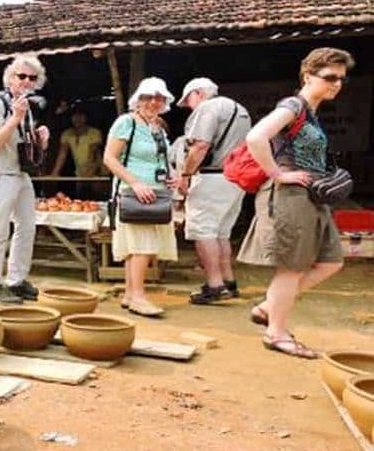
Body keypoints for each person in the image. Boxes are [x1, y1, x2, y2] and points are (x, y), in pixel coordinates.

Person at [237, 48, 354, 359]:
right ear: (307, 76)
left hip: (312, 196)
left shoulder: (311, 113)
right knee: (292, 268)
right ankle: (275, 333)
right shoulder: (292, 106)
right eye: (330, 77)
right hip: (290, 195)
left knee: (331, 261)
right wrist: (277, 174)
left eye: (341, 78)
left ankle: (267, 307)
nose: (337, 84)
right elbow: (255, 137)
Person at [103, 77, 178, 317]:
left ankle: (129, 293)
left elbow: (161, 160)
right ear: (138, 100)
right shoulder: (126, 123)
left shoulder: (157, 128)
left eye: (159, 98)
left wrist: (172, 177)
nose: (153, 102)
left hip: (156, 192)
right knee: (142, 245)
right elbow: (109, 158)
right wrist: (135, 183)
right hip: (133, 192)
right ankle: (138, 296)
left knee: (139, 246)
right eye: (148, 97)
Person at [175, 78, 252, 304]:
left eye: (188, 100)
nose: (189, 106)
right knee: (221, 232)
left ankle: (215, 285)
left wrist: (185, 176)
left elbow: (200, 146)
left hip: (213, 177)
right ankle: (228, 282)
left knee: (203, 230)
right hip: (235, 177)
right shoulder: (239, 109)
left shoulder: (208, 108)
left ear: (198, 93)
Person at [0, 54, 50, 304]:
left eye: (32, 78)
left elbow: (24, 148)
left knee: (27, 227)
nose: (26, 81)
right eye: (21, 76)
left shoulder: (27, 106)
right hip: (1, 173)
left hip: (21, 173)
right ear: (10, 78)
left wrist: (40, 140)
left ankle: (16, 280)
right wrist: (15, 119)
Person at [50, 106, 104, 178]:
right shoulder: (67, 133)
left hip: (97, 171)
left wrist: (89, 172)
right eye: (75, 116)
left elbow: (93, 154)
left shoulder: (94, 133)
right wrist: (55, 172)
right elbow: (62, 154)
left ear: (86, 117)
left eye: (81, 116)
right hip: (80, 172)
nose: (78, 118)